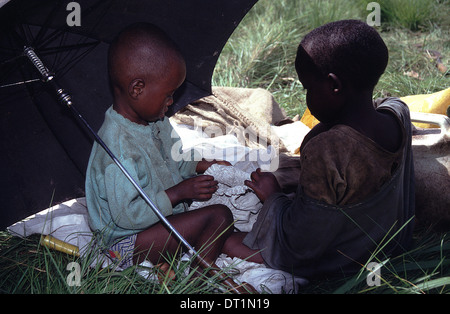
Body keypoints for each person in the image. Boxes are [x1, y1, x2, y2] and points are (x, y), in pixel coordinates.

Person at [241, 20, 415, 278]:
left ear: (334, 86)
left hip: (341, 264)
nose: (306, 97)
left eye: (307, 87)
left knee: (229, 241)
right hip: (389, 246)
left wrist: (274, 197)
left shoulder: (328, 150)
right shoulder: (397, 112)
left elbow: (300, 244)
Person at [85, 23, 235, 270]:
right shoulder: (117, 148)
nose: (172, 101)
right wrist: (178, 193)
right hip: (124, 243)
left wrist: (200, 165)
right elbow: (127, 216)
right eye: (169, 94)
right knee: (218, 217)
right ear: (137, 89)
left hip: (160, 223)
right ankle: (198, 278)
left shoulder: (158, 121)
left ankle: (180, 261)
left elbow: (176, 159)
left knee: (228, 231)